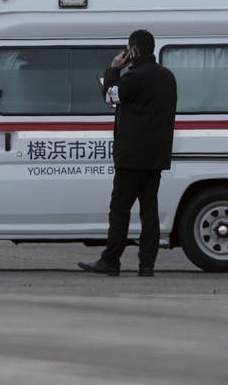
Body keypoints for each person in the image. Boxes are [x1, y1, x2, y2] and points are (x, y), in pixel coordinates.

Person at [78, 29, 177, 277]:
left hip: (132, 156)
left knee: (120, 208)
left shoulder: (134, 77)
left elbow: (111, 97)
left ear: (134, 50)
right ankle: (147, 264)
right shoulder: (167, 76)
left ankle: (111, 261)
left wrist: (113, 69)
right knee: (149, 211)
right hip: (156, 156)